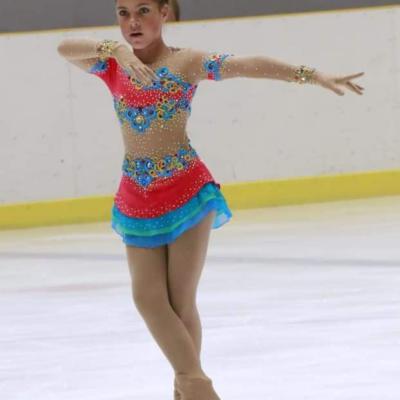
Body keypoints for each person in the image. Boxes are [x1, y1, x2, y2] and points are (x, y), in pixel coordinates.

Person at [57, 0, 365, 398]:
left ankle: (191, 386)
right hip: (136, 194)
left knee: (180, 301)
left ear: (165, 13)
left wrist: (311, 74)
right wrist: (114, 49)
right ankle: (195, 386)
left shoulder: (186, 63)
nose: (132, 22)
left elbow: (248, 64)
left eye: (144, 10)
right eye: (123, 12)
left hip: (186, 191)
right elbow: (64, 48)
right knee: (147, 298)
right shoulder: (113, 64)